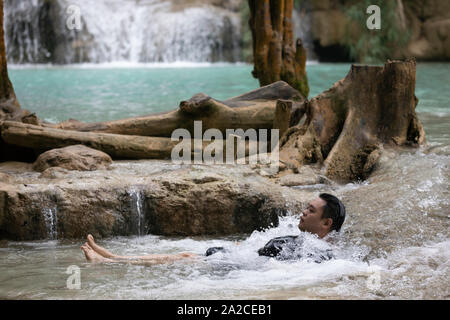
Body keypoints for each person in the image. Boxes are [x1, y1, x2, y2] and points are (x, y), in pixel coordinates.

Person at [80, 193, 345, 265]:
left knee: (184, 257)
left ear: (326, 223)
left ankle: (112, 260)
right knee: (186, 254)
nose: (303, 212)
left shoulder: (318, 251)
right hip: (239, 259)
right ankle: (113, 259)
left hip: (240, 268)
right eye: (305, 207)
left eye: (311, 210)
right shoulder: (304, 240)